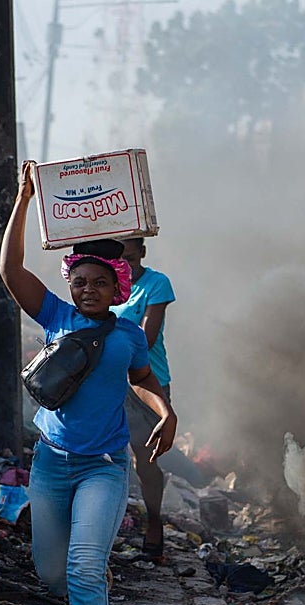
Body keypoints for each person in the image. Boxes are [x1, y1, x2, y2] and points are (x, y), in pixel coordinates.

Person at [0, 160, 177, 605]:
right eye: (81, 282)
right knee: (52, 572)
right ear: (70, 286)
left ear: (117, 287)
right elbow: (10, 269)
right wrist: (25, 199)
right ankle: (91, 590)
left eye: (100, 282)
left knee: (82, 566)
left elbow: (142, 380)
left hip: (103, 466)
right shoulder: (54, 316)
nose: (89, 289)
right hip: (51, 464)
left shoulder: (128, 336)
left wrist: (166, 412)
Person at [111, 238, 176, 562]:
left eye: (131, 258)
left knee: (145, 459)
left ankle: (154, 521)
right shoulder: (103, 282)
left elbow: (145, 340)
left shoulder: (155, 284)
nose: (126, 265)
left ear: (142, 254)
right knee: (105, 457)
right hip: (109, 381)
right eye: (119, 259)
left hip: (148, 383)